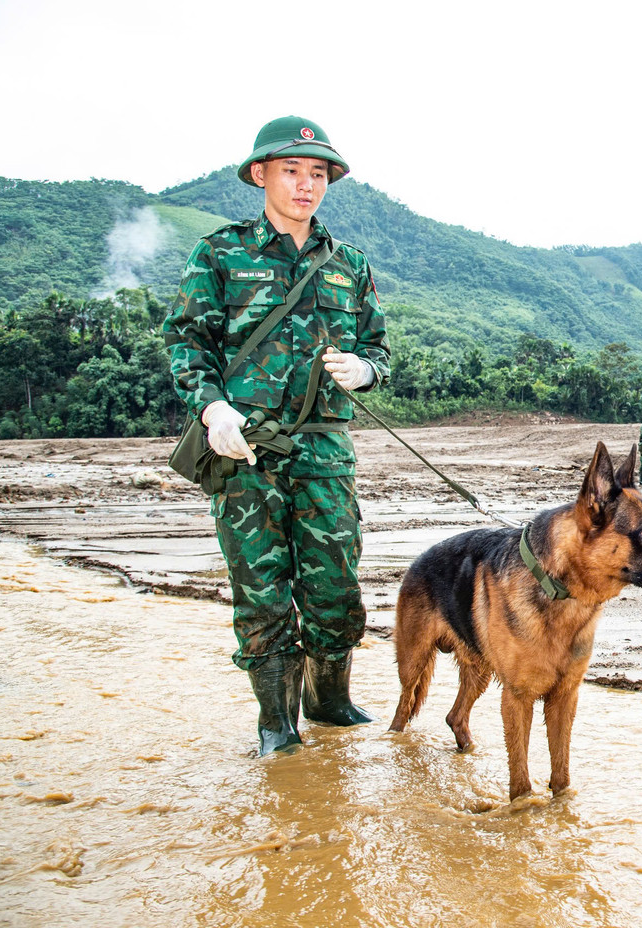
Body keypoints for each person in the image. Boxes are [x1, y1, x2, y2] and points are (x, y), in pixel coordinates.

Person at [161, 116, 390, 755]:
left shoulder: (350, 265)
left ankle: (329, 701)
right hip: (244, 450)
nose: (305, 184)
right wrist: (212, 411)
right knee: (261, 590)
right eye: (292, 170)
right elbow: (185, 341)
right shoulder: (220, 253)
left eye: (317, 174)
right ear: (260, 174)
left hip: (325, 452)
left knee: (337, 587)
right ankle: (275, 726)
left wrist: (368, 370)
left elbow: (379, 344)